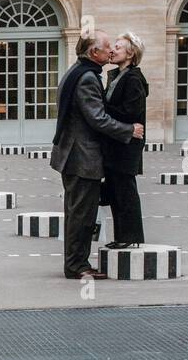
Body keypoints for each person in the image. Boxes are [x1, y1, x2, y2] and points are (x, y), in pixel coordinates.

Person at [49, 29, 144, 280]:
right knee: (82, 215)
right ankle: (77, 265)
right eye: (106, 47)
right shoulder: (88, 78)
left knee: (76, 212)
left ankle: (76, 262)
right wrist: (129, 130)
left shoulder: (76, 71)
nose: (110, 50)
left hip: (72, 154)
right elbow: (97, 119)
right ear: (94, 52)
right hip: (82, 157)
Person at [101, 32, 148, 248]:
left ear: (130, 54)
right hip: (116, 143)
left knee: (125, 192)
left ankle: (130, 237)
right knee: (116, 190)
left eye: (118, 48)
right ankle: (122, 236)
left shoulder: (134, 79)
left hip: (127, 145)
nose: (112, 50)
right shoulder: (115, 76)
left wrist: (102, 110)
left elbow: (130, 112)